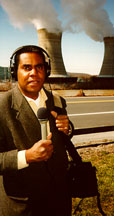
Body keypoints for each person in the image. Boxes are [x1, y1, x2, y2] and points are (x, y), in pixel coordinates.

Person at [0, 45, 73, 216]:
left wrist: (67, 128)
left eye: (39, 67)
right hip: (23, 205)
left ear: (46, 71)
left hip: (58, 201)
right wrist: (27, 156)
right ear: (14, 72)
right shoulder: (2, 106)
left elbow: (63, 137)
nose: (34, 72)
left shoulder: (57, 100)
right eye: (26, 67)